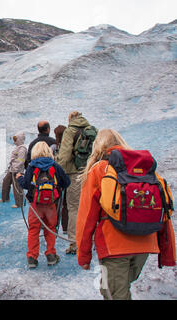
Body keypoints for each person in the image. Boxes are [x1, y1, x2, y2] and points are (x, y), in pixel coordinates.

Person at [76, 129, 176, 300]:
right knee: (112, 288)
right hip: (145, 242)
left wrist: (83, 255)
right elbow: (163, 211)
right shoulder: (144, 170)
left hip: (114, 246)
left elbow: (87, 217)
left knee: (113, 293)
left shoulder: (100, 169)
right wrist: (168, 252)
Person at [17, 142, 70, 268]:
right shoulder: (55, 166)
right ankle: (51, 255)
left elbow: (25, 184)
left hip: (35, 204)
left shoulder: (31, 166)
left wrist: (19, 177)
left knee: (34, 230)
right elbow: (66, 182)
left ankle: (32, 258)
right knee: (51, 228)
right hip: (51, 204)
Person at [56, 111, 94, 255]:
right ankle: (93, 238)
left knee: (73, 208)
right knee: (91, 205)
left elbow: (64, 156)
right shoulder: (91, 130)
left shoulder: (69, 131)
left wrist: (57, 169)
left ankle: (74, 242)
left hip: (73, 173)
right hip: (90, 172)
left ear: (70, 119)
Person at [0, 132, 27, 208]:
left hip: (17, 171)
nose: (14, 141)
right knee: (6, 181)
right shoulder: (17, 147)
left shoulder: (22, 149)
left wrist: (15, 169)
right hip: (12, 169)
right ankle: (5, 198)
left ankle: (19, 203)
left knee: (17, 187)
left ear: (20, 139)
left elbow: (21, 161)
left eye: (16, 139)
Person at [54, 125, 68, 233]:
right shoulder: (68, 146)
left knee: (56, 203)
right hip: (68, 177)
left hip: (56, 180)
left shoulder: (54, 147)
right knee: (66, 205)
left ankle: (54, 225)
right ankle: (66, 227)